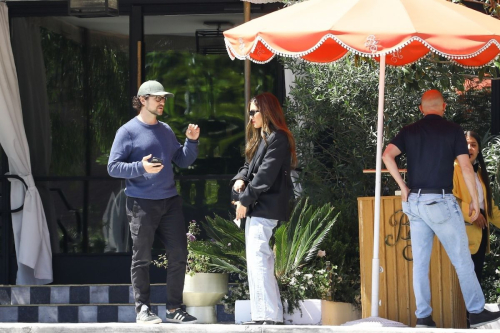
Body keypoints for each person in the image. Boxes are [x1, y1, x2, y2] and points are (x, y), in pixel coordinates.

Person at [382, 89, 500, 329]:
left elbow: (387, 155)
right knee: (462, 260)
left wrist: (403, 187)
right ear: (444, 107)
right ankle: (476, 311)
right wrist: (475, 203)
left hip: (414, 202)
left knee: (421, 263)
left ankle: (423, 317)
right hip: (441, 201)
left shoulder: (409, 131)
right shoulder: (453, 130)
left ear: (421, 108)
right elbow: (466, 168)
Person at [108, 80, 200, 324]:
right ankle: (143, 309)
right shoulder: (126, 131)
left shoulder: (166, 130)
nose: (162, 102)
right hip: (141, 203)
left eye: (164, 98)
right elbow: (113, 167)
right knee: (142, 258)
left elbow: (181, 160)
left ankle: (174, 309)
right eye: (157, 98)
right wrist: (141, 167)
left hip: (170, 201)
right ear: (142, 100)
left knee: (179, 254)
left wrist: (191, 141)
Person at [231, 92, 296, 325]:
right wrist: (239, 179)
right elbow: (249, 166)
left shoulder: (278, 138)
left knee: (259, 261)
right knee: (261, 261)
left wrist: (244, 201)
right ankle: (269, 315)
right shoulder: (263, 138)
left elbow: (265, 177)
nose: (250, 118)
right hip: (260, 207)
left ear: (266, 111)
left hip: (265, 208)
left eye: (253, 112)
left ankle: (267, 316)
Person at [453, 131, 500, 284]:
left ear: (479, 149)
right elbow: (450, 199)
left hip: (481, 231)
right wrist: (474, 214)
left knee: (476, 276)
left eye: (473, 145)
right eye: (466, 144)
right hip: (464, 231)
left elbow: (489, 208)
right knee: (465, 280)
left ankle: (475, 309)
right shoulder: (453, 169)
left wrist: (481, 214)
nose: (469, 148)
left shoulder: (480, 173)